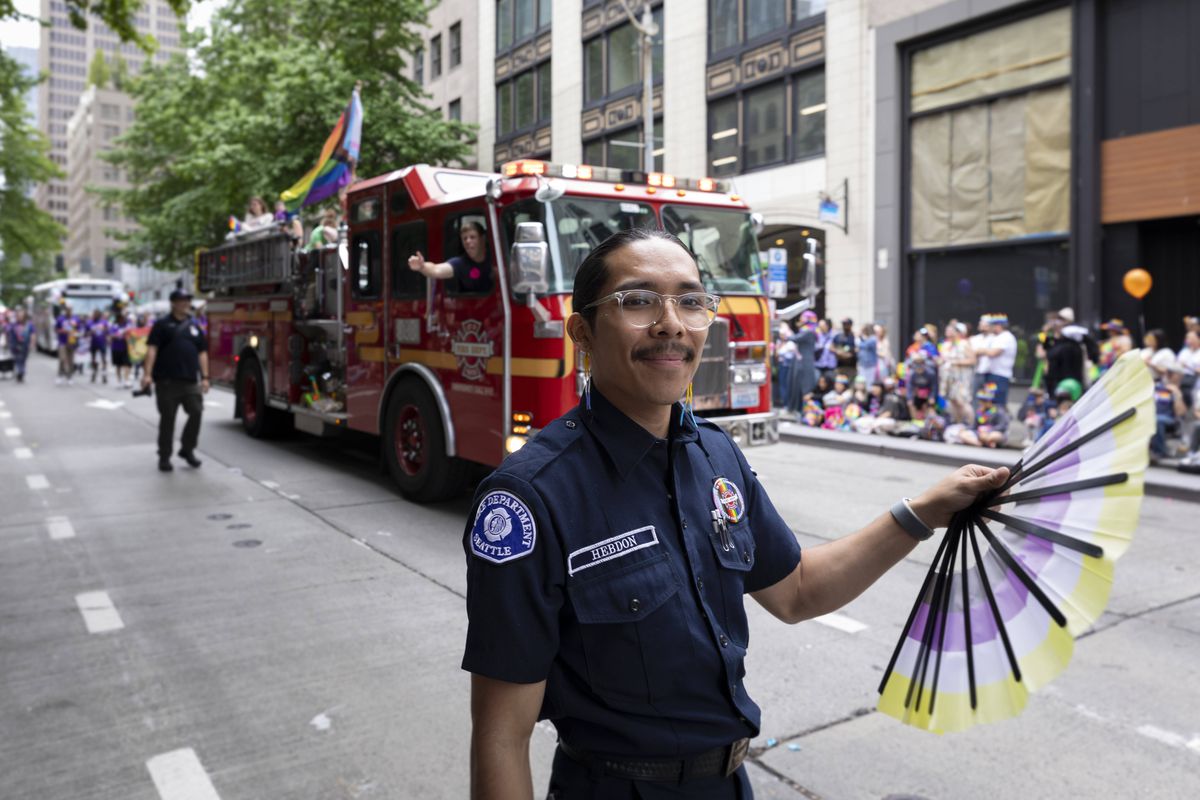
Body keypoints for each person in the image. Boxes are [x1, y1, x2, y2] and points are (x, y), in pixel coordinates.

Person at [461, 227, 1008, 800]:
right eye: (639, 300)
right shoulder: (529, 498)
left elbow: (797, 590)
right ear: (582, 332)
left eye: (692, 301)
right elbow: (501, 737)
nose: (671, 322)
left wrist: (923, 511)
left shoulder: (716, 454)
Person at [141, 289, 209, 472]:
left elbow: (202, 352)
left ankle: (187, 450)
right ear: (173, 303)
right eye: (180, 300)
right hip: (167, 382)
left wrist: (205, 377)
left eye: (187, 300)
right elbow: (152, 350)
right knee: (168, 420)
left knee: (196, 412)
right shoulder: (162, 325)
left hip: (190, 381)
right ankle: (164, 456)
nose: (184, 303)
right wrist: (147, 375)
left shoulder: (195, 325)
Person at [408, 220, 494, 294]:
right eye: (464, 238)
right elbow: (435, 269)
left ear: (483, 239)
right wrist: (422, 266)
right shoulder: (460, 263)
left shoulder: (496, 257)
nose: (468, 241)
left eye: (472, 237)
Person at [939, 321, 975, 423]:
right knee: (952, 401)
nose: (948, 332)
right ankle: (957, 424)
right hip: (948, 378)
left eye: (951, 330)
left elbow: (972, 360)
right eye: (947, 330)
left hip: (961, 377)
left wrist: (956, 362)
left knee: (962, 401)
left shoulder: (964, 344)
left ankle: (971, 423)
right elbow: (941, 359)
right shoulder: (945, 344)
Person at [979, 313, 1017, 407]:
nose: (990, 327)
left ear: (998, 326)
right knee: (989, 401)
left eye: (992, 325)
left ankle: (999, 421)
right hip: (992, 375)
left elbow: (993, 353)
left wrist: (980, 351)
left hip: (999, 376)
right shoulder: (997, 337)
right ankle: (990, 421)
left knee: (997, 403)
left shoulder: (1006, 337)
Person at [785, 311, 818, 414]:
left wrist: (786, 334)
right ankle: (796, 407)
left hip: (804, 362)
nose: (800, 320)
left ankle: (802, 409)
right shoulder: (807, 330)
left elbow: (795, 338)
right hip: (801, 360)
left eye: (803, 318)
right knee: (796, 383)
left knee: (803, 385)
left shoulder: (809, 331)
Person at [6, 308, 35, 384]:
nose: (20, 317)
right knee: (17, 359)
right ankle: (20, 372)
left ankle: (21, 372)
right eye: (18, 315)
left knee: (23, 359)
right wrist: (8, 343)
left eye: (21, 315)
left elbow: (32, 334)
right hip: (15, 345)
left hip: (25, 345)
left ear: (25, 316)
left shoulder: (29, 325)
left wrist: (32, 344)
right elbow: (8, 333)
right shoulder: (13, 324)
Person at [55, 305, 79, 385]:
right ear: (65, 310)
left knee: (71, 361)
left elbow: (79, 330)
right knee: (62, 359)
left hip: (72, 342)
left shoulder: (75, 319)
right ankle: (60, 375)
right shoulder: (60, 319)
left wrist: (76, 334)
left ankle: (70, 376)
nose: (69, 311)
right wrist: (62, 331)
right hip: (62, 342)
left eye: (70, 310)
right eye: (67, 310)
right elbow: (56, 329)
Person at [87, 309, 110, 384]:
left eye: (97, 314)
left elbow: (108, 331)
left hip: (102, 343)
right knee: (93, 359)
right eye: (94, 314)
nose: (95, 315)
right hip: (93, 343)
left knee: (103, 359)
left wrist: (104, 329)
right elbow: (86, 333)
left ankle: (104, 375)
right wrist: (91, 331)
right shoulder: (90, 322)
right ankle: (94, 373)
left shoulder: (104, 322)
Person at [110, 311, 132, 387]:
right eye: (121, 318)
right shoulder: (114, 326)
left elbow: (132, 334)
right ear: (118, 318)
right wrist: (120, 334)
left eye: (124, 317)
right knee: (118, 365)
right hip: (116, 348)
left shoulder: (127, 325)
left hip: (126, 348)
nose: (123, 319)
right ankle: (119, 381)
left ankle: (127, 380)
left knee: (127, 364)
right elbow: (111, 336)